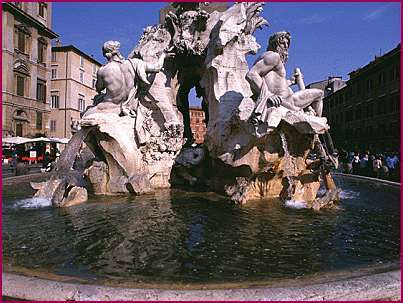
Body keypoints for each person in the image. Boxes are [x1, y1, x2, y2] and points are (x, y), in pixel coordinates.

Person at [246, 31, 324, 121]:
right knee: (319, 94)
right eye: (283, 43)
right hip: (287, 101)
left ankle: (313, 121)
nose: (286, 46)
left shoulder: (271, 59)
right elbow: (251, 75)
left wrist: (290, 82)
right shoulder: (273, 56)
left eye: (287, 43)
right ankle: (317, 128)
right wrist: (268, 94)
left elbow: (274, 84)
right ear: (275, 44)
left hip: (284, 99)